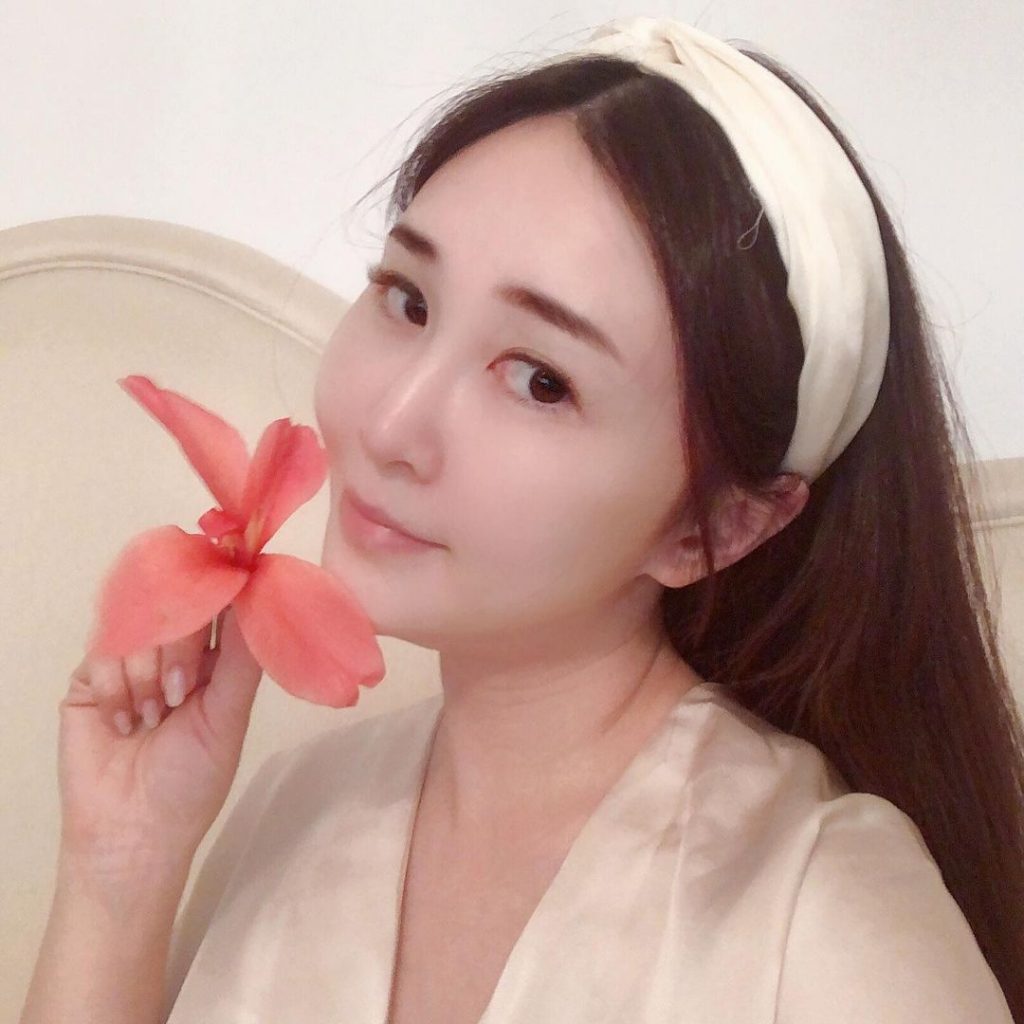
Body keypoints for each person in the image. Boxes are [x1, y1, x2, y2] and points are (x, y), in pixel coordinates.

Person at [20, 16, 1023, 1024]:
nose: (390, 424)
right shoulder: (292, 810)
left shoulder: (826, 924)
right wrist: (120, 873)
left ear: (716, 529)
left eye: (541, 379)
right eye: (408, 300)